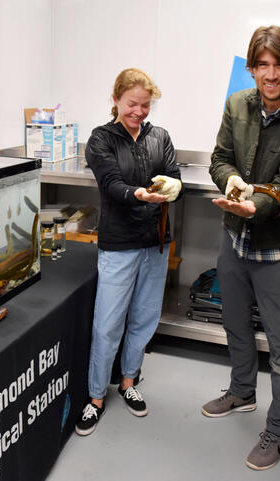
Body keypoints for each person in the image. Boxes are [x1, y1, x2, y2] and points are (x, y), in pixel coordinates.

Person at [203, 26, 280, 470]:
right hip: (233, 239)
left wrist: (251, 206)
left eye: (278, 65)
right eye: (262, 65)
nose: (270, 75)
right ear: (252, 67)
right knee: (235, 322)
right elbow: (219, 158)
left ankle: (279, 429)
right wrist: (231, 181)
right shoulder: (238, 103)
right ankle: (241, 392)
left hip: (276, 247)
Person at [75, 68, 182, 436]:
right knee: (108, 323)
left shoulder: (160, 136)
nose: (138, 111)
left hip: (156, 241)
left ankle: (128, 380)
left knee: (145, 316)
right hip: (119, 244)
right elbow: (110, 183)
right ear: (116, 99)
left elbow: (173, 173)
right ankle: (95, 398)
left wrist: (171, 186)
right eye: (132, 104)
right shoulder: (101, 139)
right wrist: (138, 193)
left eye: (145, 105)